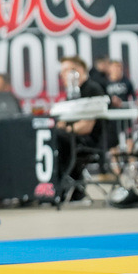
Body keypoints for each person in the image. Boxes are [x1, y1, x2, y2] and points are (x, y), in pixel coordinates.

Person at [54, 56, 107, 200]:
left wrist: (67, 129)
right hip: (74, 139)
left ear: (78, 70)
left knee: (56, 138)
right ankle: (66, 186)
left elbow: (86, 126)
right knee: (51, 135)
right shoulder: (72, 93)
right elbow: (63, 121)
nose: (62, 75)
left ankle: (59, 188)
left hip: (89, 141)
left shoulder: (92, 89)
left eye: (66, 70)